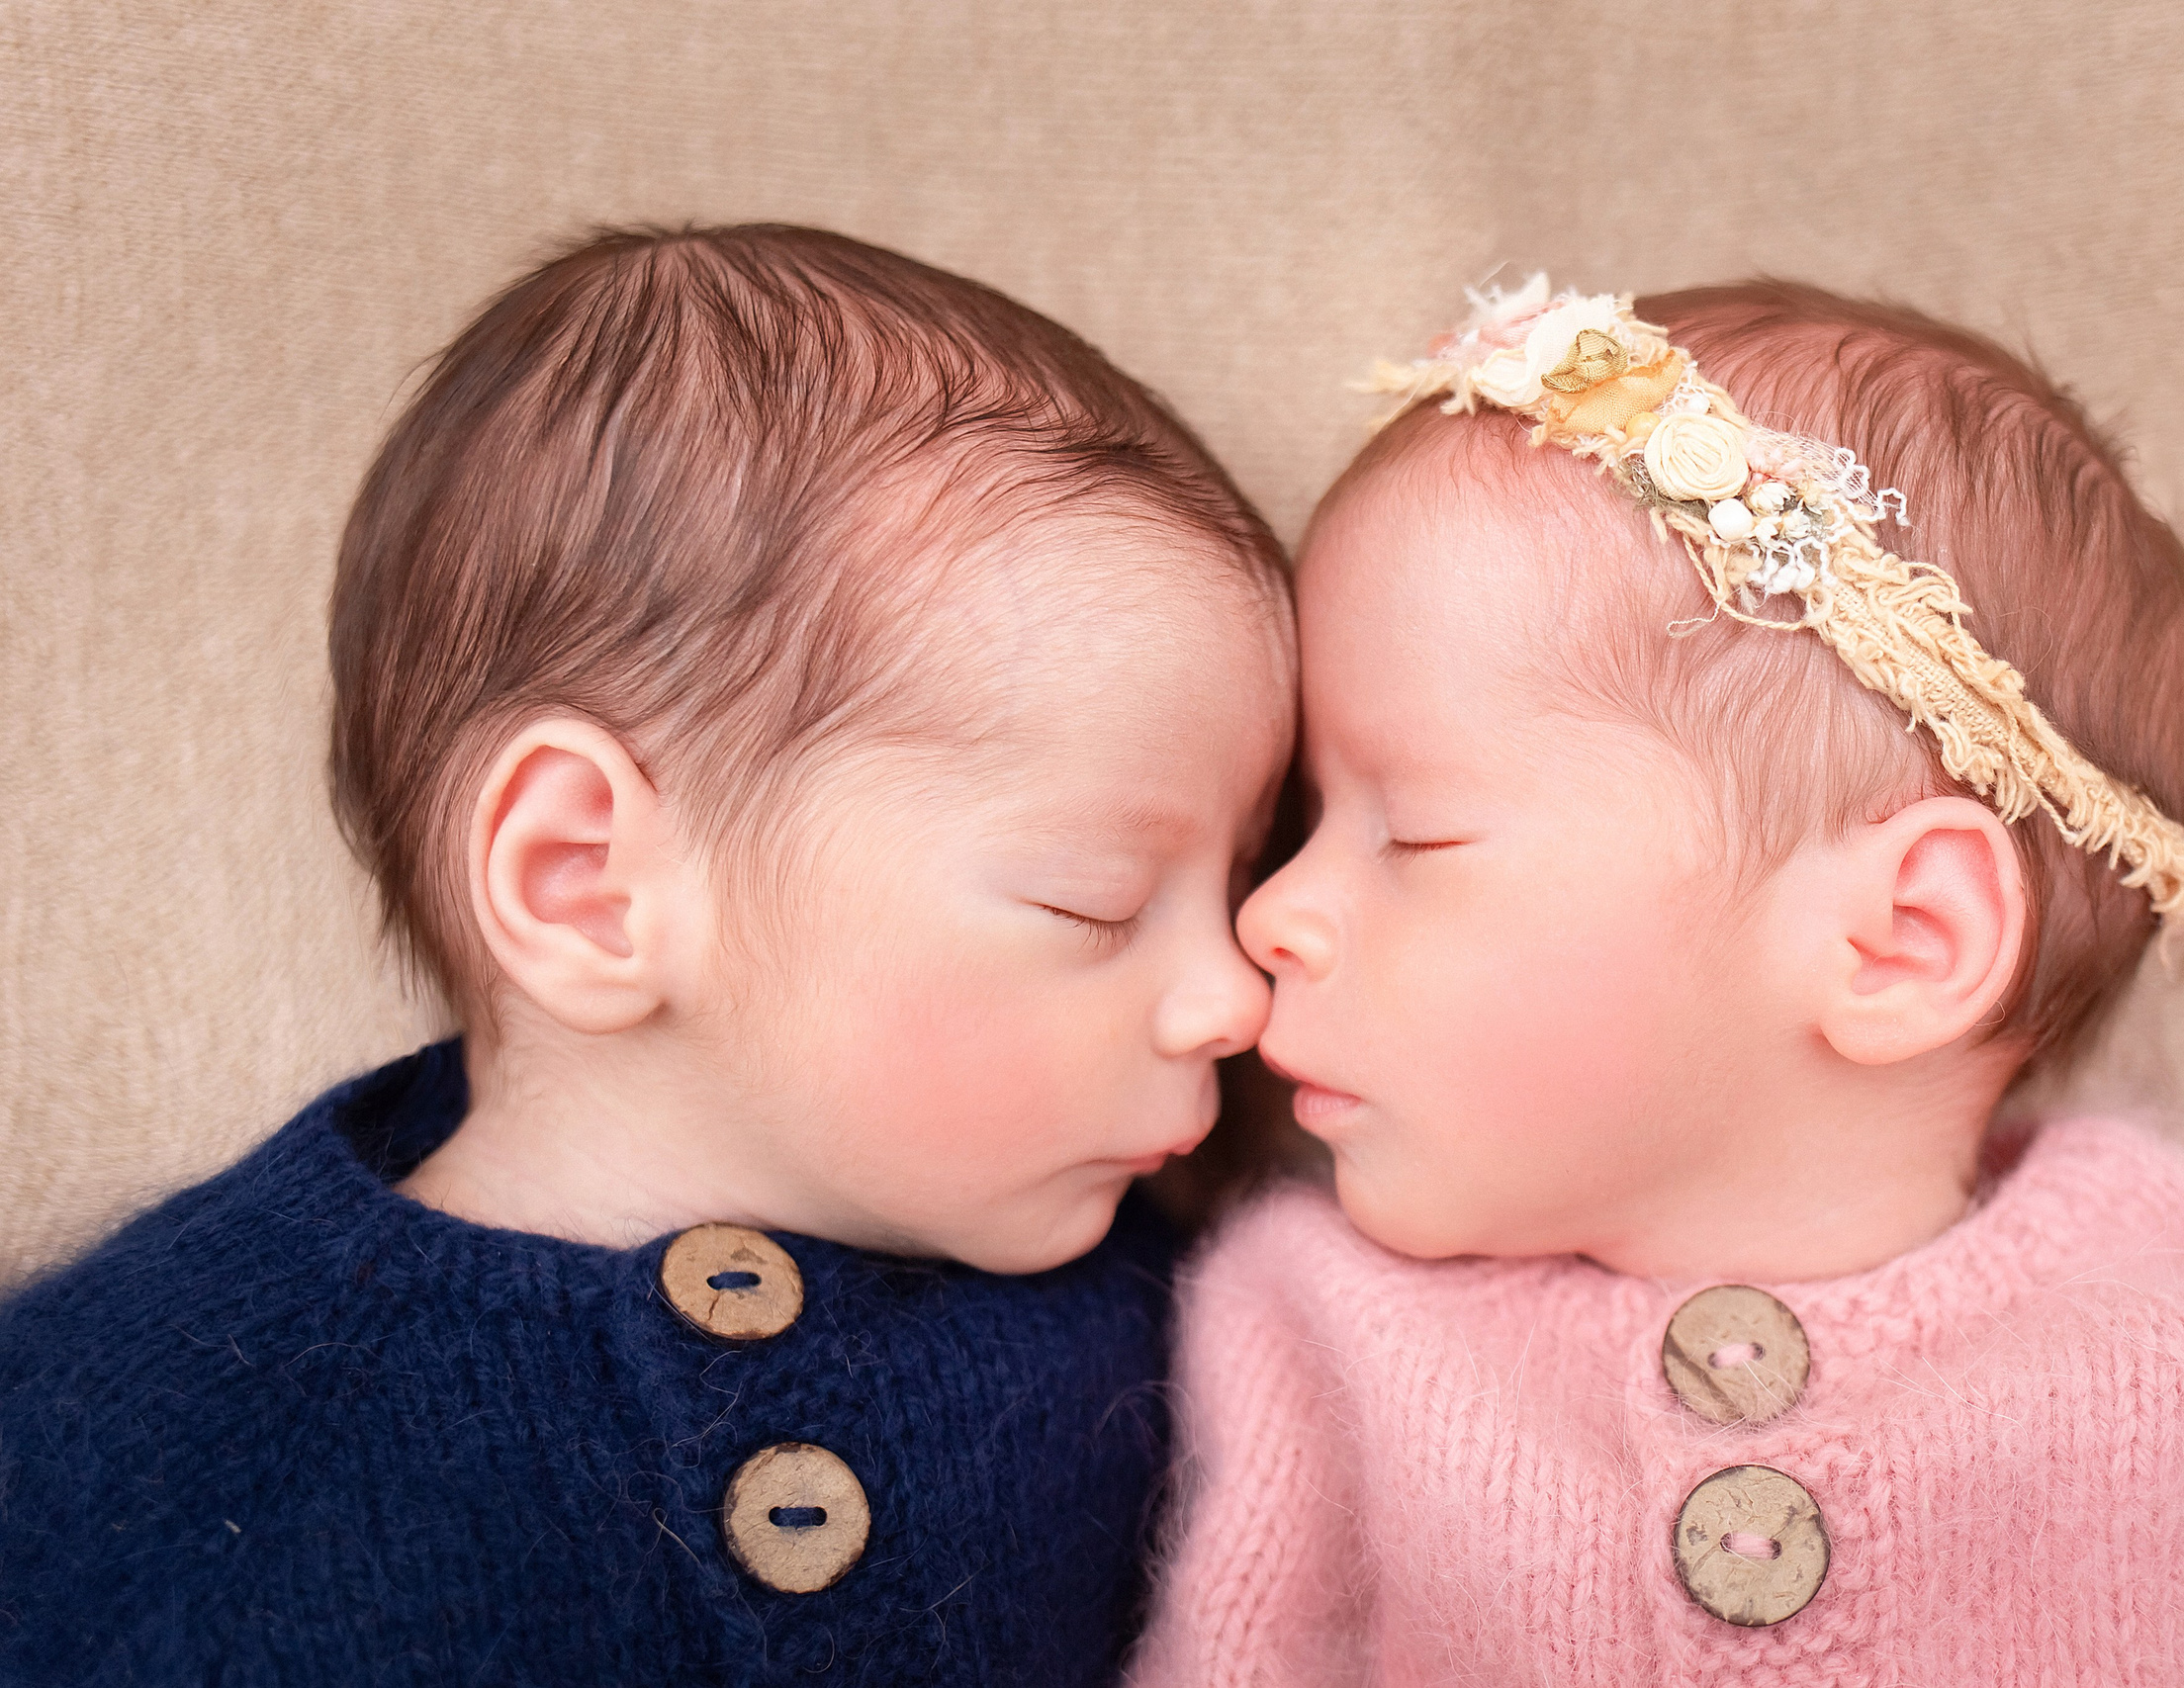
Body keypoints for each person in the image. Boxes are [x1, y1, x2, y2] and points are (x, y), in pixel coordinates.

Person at [1132, 276, 2184, 1681]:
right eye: (1303, 824)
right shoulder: (1312, 1331)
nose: (1268, 915)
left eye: (1414, 835)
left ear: (1898, 940)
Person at [0, 224, 1293, 1686]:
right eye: (1097, 904)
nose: (1234, 994)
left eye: (1245, 875)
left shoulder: (1211, 1318)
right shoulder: (132, 1439)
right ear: (590, 886)